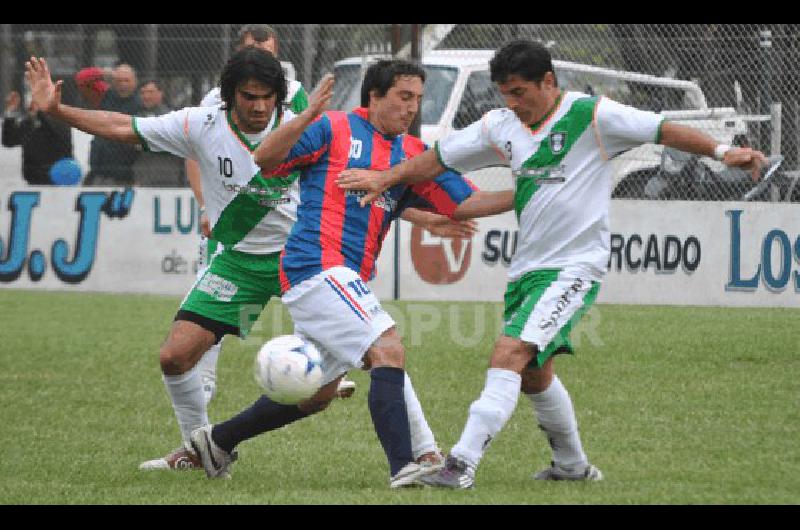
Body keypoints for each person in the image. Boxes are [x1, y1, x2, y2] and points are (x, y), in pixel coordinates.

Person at [336, 40, 768, 489]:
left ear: (548, 81)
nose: (512, 103)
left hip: (574, 266)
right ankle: (572, 465)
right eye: (505, 93)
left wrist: (722, 152)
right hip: (528, 269)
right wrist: (387, 177)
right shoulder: (501, 124)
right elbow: (437, 159)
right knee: (533, 375)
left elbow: (661, 129)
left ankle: (459, 465)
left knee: (509, 353)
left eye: (519, 92)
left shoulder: (592, 116)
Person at [25, 50, 465, 477]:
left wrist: (421, 215)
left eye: (266, 97)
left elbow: (351, 187)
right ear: (228, 95)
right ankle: (201, 447)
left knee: (348, 372)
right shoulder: (201, 123)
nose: (258, 106)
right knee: (175, 356)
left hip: (306, 255)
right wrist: (58, 110)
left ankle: (424, 451)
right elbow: (123, 126)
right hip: (241, 260)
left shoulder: (300, 116)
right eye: (248, 97)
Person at [187, 59, 515, 488]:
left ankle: (216, 441)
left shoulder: (414, 155)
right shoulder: (334, 127)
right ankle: (408, 464)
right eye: (403, 96)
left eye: (417, 98)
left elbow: (467, 203)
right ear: (374, 96)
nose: (412, 108)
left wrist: (531, 187)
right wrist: (306, 116)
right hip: (315, 265)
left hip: (345, 277)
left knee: (317, 393)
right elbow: (264, 160)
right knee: (387, 348)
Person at [188, 24, 309, 404]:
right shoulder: (213, 101)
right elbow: (194, 152)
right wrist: (206, 205)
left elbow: (311, 149)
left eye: (267, 51)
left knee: (323, 310)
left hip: (291, 234)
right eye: (253, 50)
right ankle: (201, 402)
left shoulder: (295, 96)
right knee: (202, 326)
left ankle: (323, 371)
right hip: (234, 230)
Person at [85, 63, 142, 186]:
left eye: (126, 80)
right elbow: (82, 79)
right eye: (119, 80)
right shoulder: (104, 95)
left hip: (126, 172)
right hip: (99, 169)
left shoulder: (141, 103)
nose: (123, 84)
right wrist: (103, 72)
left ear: (135, 82)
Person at [2, 89, 72, 185]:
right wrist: (10, 113)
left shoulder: (61, 120)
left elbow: (57, 133)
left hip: (59, 177)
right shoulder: (28, 123)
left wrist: (40, 112)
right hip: (33, 177)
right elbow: (9, 141)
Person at [132, 79, 185, 187]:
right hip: (143, 176)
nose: (146, 96)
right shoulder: (137, 116)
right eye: (143, 93)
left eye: (150, 92)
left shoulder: (170, 117)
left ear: (160, 94)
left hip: (167, 175)